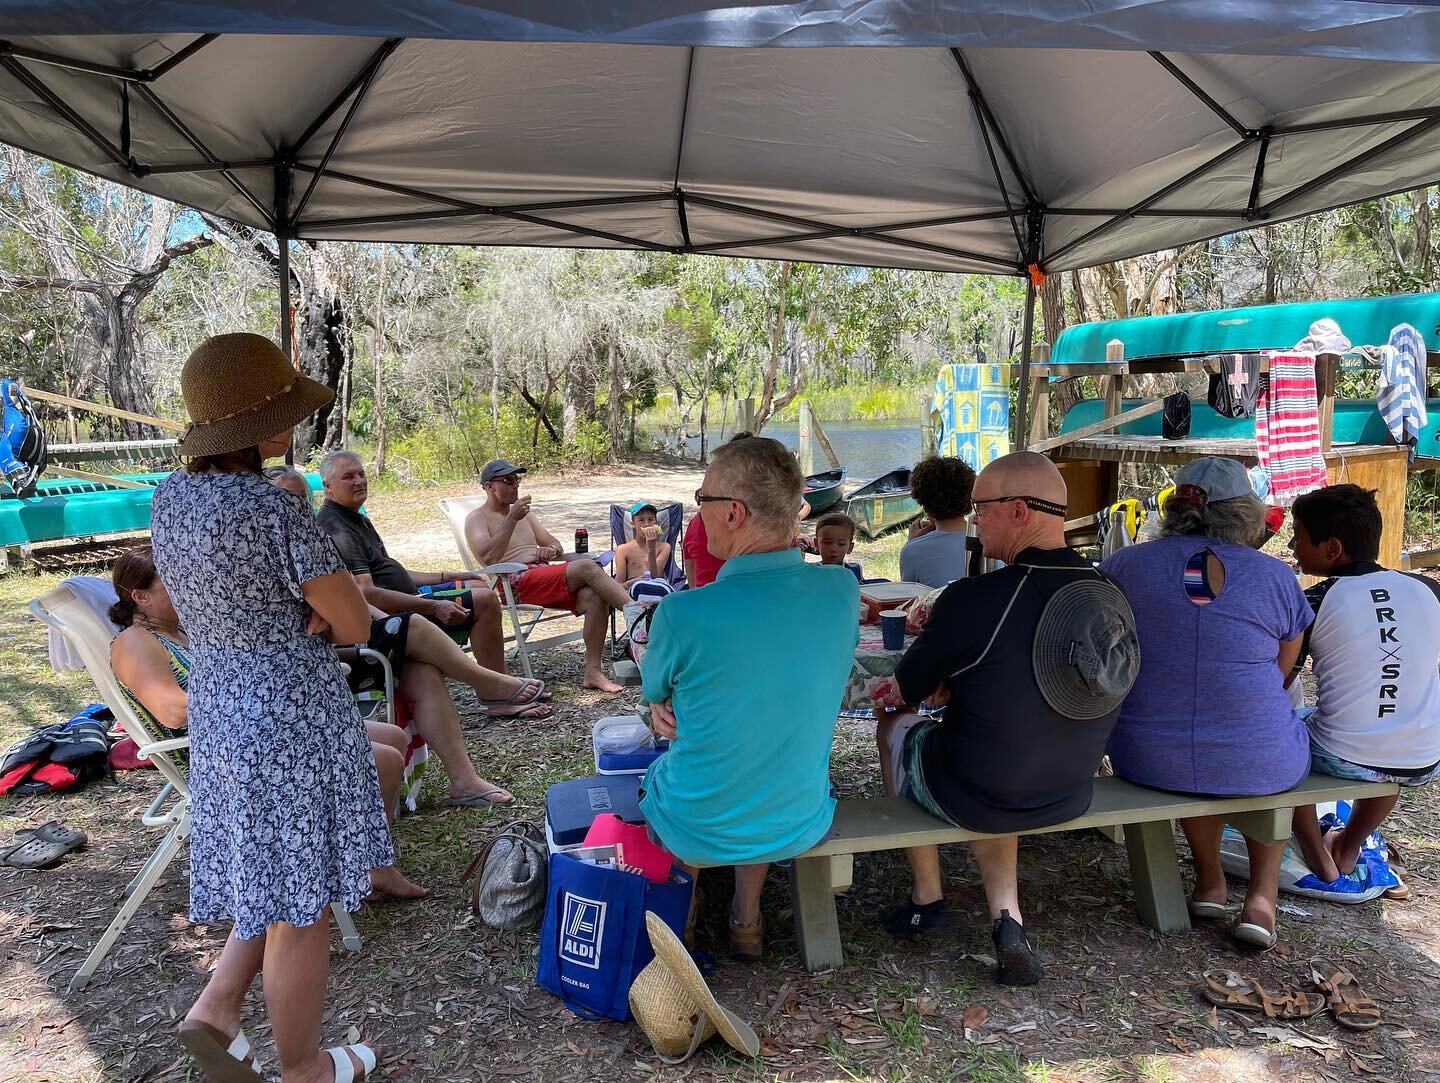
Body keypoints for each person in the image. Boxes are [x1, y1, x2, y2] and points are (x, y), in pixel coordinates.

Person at [151, 332, 389, 1080]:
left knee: (272, 872)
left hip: (221, 704)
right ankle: (305, 1066)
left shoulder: (170, 498)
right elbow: (355, 623)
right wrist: (314, 612)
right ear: (264, 420)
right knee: (303, 902)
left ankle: (218, 1008)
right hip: (290, 714)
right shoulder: (273, 511)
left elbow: (206, 602)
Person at [879, 451, 1139, 986]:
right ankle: (1007, 917)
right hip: (1071, 789)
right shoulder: (1110, 594)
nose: (974, 520)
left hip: (979, 790)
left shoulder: (973, 598)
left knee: (897, 727)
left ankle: (926, 895)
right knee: (1005, 740)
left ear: (1018, 511)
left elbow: (906, 690)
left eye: (982, 509)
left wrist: (945, 687)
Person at [640, 436, 858, 960]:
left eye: (702, 499)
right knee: (761, 765)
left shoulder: (681, 614)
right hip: (796, 814)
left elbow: (655, 691)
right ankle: (746, 919)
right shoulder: (842, 591)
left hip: (701, 819)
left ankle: (683, 914)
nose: (699, 513)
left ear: (733, 512)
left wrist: (656, 705)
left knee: (668, 782)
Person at [107, 546, 428, 898]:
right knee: (384, 759)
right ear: (141, 597)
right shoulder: (135, 641)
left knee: (392, 737)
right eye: (177, 580)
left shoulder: (184, 629)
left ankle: (355, 855)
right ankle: (366, 870)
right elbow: (172, 710)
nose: (193, 585)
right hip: (223, 757)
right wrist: (261, 692)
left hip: (249, 735)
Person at [1101, 456, 1312, 950]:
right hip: (1258, 756)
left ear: (1176, 507)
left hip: (1147, 753)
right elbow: (1282, 672)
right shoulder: (1275, 576)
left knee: (1194, 742)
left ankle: (1210, 880)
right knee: (1260, 737)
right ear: (1247, 514)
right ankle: (1260, 897)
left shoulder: (1123, 566)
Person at [271, 464, 549, 724]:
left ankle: (498, 683)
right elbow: (366, 593)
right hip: (394, 614)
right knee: (485, 599)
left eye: (361, 474)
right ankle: (494, 688)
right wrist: (431, 606)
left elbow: (392, 571)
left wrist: (450, 576)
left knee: (476, 586)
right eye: (348, 477)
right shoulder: (337, 527)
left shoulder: (355, 518)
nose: (359, 481)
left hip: (409, 596)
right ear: (329, 487)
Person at [1287, 483, 1440, 885]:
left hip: (1345, 754)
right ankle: (1350, 843)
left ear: (1332, 548)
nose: (1290, 544)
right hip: (1422, 756)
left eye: (1299, 537)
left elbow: (1280, 681)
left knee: (1279, 740)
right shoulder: (1428, 589)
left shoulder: (1316, 600)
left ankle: (1316, 852)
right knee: (1386, 765)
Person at [464, 459, 633, 693]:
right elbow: (489, 558)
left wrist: (550, 550)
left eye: (517, 481)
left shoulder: (525, 515)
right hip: (513, 581)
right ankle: (641, 618)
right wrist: (512, 519)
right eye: (508, 481)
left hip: (541, 575)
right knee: (587, 567)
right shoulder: (477, 518)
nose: (516, 486)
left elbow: (556, 544)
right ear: (489, 486)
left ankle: (593, 673)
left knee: (594, 596)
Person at [683, 431, 753, 588]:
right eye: (702, 498)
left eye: (703, 498)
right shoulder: (771, 528)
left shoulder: (697, 524)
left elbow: (693, 584)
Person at [900, 456, 977, 587]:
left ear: (922, 501)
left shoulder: (912, 551)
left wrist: (912, 543)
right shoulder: (990, 541)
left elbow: (910, 598)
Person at [613, 501, 674, 592]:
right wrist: (631, 583)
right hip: (633, 591)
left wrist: (651, 549)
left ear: (656, 523)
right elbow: (618, 586)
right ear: (633, 524)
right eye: (641, 520)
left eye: (650, 520)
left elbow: (655, 576)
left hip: (656, 589)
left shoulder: (664, 547)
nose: (647, 524)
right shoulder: (623, 550)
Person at [812, 511, 861, 581]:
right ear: (816, 544)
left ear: (850, 547)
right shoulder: (811, 572)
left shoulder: (854, 571)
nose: (833, 549)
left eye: (841, 544)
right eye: (827, 543)